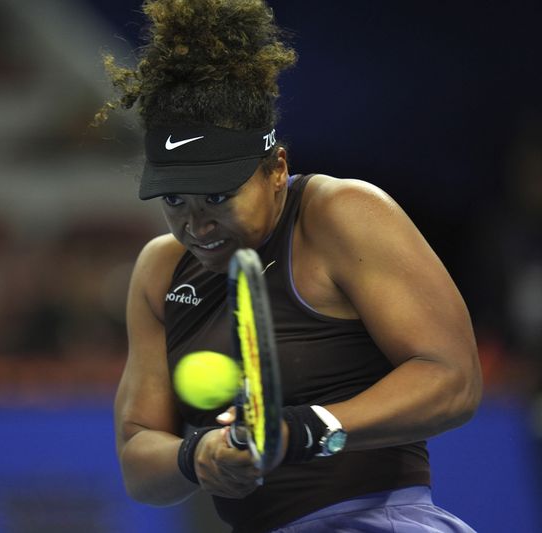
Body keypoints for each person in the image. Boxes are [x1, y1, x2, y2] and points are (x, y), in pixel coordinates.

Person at [98, 1, 482, 531]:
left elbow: (453, 380)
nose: (196, 225)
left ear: (277, 167)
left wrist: (307, 428)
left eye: (216, 196)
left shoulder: (341, 214)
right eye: (175, 201)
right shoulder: (160, 271)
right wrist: (199, 455)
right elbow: (140, 463)